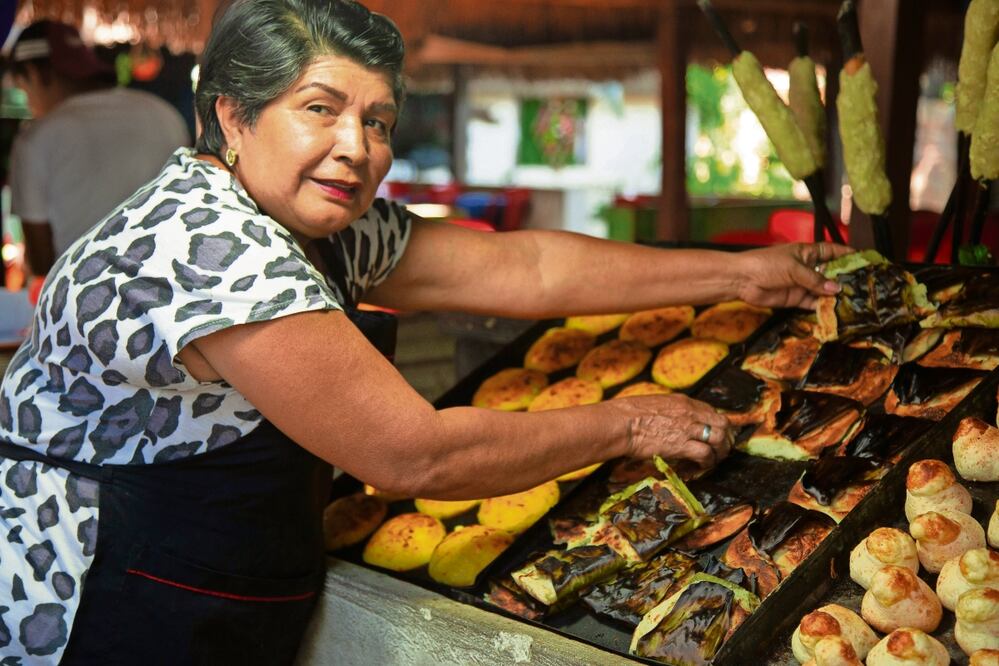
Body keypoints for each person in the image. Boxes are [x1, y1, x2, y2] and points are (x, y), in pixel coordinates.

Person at [0, 0, 849, 662]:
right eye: (321, 109)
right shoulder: (210, 249)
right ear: (232, 115)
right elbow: (413, 455)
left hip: (218, 572)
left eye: (375, 121)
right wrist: (630, 421)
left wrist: (736, 272)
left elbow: (526, 270)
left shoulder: (314, 219)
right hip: (99, 591)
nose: (355, 148)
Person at [7, 20, 190, 277]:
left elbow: (41, 263)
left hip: (81, 306)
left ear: (34, 74)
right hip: (170, 294)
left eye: (22, 89)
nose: (27, 102)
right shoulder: (164, 114)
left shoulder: (36, 140)